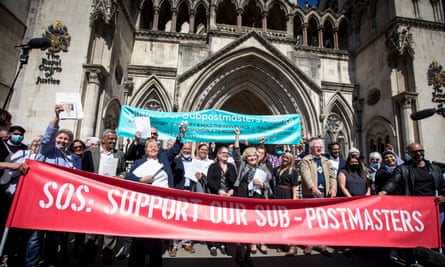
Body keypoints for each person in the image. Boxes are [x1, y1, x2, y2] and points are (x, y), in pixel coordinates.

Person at [125, 126, 185, 267]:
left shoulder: (164, 158)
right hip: (144, 205)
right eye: (150, 147)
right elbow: (128, 177)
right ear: (145, 150)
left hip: (161, 205)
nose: (153, 148)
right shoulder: (139, 162)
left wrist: (181, 134)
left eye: (155, 146)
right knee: (139, 240)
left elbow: (176, 148)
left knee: (156, 242)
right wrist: (141, 181)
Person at [379, 143, 445, 266]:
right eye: (415, 152)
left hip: (434, 209)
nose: (419, 153)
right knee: (413, 239)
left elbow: (442, 187)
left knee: (436, 239)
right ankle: (412, 262)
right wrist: (383, 192)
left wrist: (443, 197)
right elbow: (393, 181)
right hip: (414, 210)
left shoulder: (434, 169)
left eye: (421, 151)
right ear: (408, 154)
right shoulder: (403, 169)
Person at [26, 104, 74, 267]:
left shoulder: (68, 159)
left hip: (58, 204)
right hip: (41, 200)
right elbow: (47, 137)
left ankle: (50, 263)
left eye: (66, 139)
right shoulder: (47, 150)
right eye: (60, 138)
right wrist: (57, 117)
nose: (62, 141)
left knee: (54, 238)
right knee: (35, 237)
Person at [81, 129, 127, 265]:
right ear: (103, 139)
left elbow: (123, 170)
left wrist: (121, 176)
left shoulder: (119, 154)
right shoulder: (90, 153)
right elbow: (84, 172)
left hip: (111, 196)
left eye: (114, 139)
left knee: (110, 226)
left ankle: (107, 253)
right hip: (94, 194)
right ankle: (90, 251)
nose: (113, 141)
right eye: (110, 139)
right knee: (92, 226)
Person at [233, 128, 272, 266]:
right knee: (240, 228)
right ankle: (238, 252)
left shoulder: (262, 170)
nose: (252, 159)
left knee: (252, 228)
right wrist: (237, 136)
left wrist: (262, 185)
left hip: (255, 201)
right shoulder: (242, 166)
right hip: (242, 198)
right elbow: (236, 153)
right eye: (250, 157)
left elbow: (269, 189)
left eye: (254, 157)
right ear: (246, 158)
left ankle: (248, 254)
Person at [299, 140, 336, 256]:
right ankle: (308, 244)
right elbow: (305, 175)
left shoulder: (326, 161)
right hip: (310, 194)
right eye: (316, 147)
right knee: (310, 220)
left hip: (324, 194)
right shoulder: (306, 160)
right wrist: (312, 187)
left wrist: (333, 188)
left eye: (320, 147)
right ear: (311, 149)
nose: (319, 149)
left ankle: (322, 245)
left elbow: (332, 176)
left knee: (322, 220)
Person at [206, 145, 237, 257]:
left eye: (227, 153)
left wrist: (232, 190)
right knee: (214, 221)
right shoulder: (213, 166)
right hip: (216, 196)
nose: (225, 154)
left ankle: (223, 243)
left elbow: (234, 181)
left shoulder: (231, 166)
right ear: (218, 155)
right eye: (223, 152)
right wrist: (218, 190)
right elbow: (209, 181)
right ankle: (213, 244)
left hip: (228, 197)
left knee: (225, 221)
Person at [273, 151, 300, 256]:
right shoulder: (277, 169)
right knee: (280, 221)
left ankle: (293, 246)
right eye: (284, 157)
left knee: (289, 221)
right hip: (278, 194)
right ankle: (282, 243)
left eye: (287, 158)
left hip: (287, 194)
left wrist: (294, 199)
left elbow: (294, 186)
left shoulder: (293, 171)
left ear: (291, 160)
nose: (285, 159)